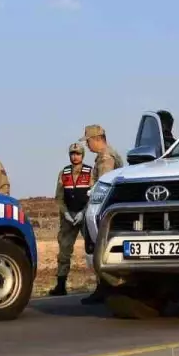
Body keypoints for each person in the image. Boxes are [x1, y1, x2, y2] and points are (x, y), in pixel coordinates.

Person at [80, 124, 124, 304]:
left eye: (88, 141)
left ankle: (105, 287)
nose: (87, 145)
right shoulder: (104, 156)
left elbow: (103, 186)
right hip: (106, 211)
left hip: (102, 212)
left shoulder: (106, 158)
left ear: (97, 139)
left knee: (98, 247)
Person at [49, 142, 92, 296]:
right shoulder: (64, 173)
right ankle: (61, 285)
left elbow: (93, 196)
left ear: (83, 155)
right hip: (68, 217)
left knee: (93, 249)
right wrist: (65, 213)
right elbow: (59, 197)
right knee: (64, 252)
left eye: (78, 153)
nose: (75, 156)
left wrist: (84, 212)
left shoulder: (90, 172)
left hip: (85, 216)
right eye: (73, 153)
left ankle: (101, 285)